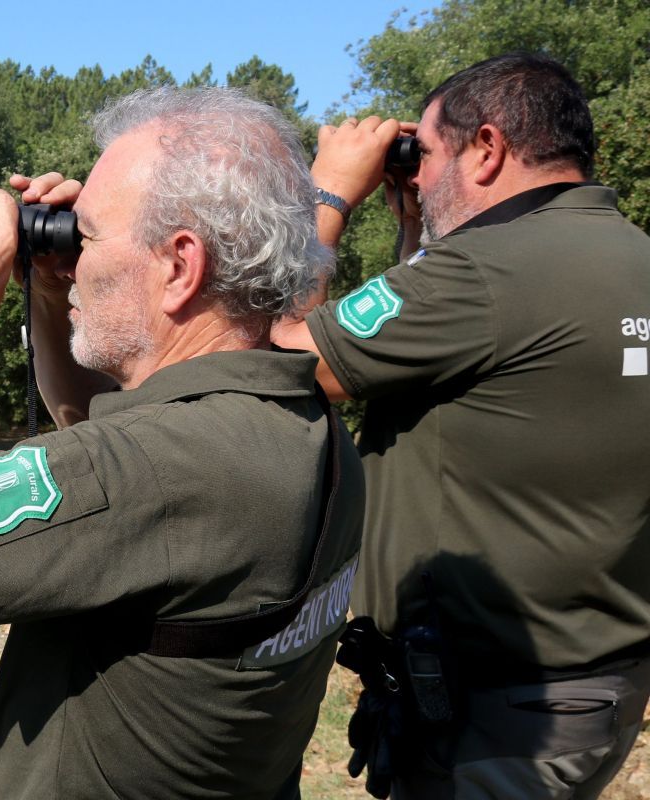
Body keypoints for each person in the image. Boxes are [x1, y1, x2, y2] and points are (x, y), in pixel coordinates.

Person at [0, 86, 365, 799]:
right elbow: (103, 445)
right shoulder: (303, 424)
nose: (75, 253)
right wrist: (49, 295)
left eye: (86, 236)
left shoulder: (167, 466)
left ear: (180, 266)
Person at [274, 53, 650, 799]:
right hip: (590, 680)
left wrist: (328, 195)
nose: (415, 175)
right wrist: (417, 231)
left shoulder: (489, 271)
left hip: (495, 711)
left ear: (487, 148)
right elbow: (472, 359)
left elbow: (289, 358)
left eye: (428, 155)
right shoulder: (628, 253)